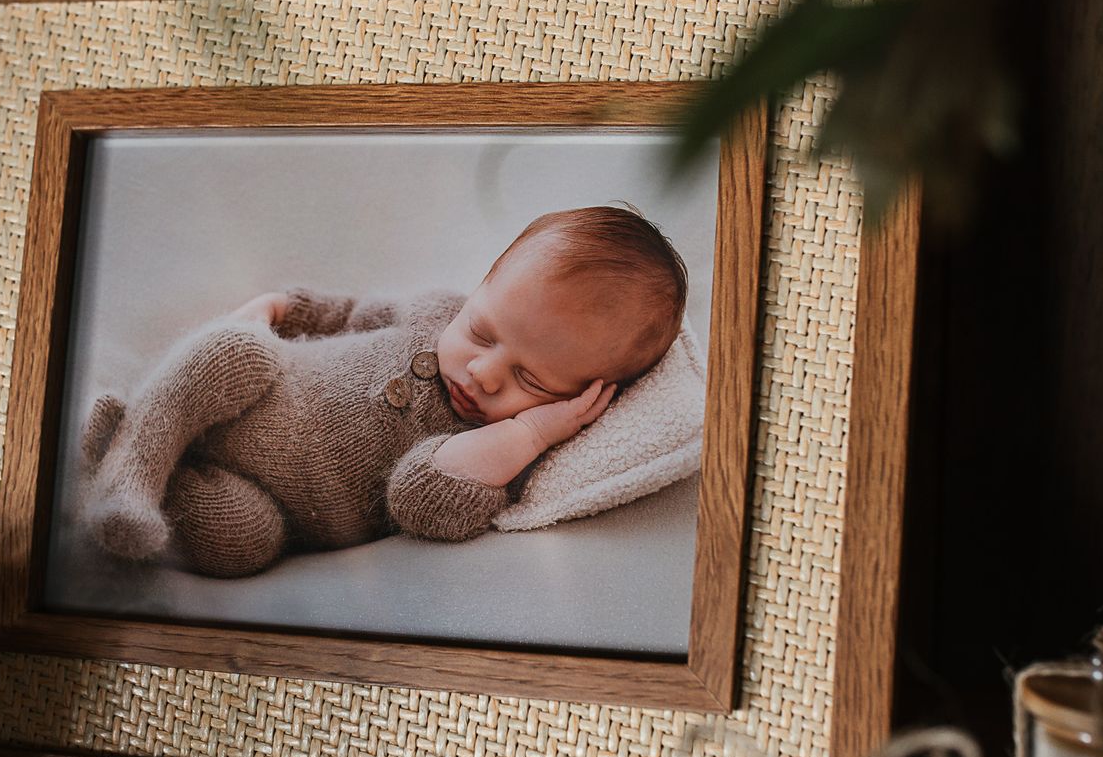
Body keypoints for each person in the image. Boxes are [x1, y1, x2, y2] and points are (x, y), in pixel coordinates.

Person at [80, 204, 687, 577]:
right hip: (261, 387)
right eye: (480, 331)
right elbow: (352, 313)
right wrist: (284, 307)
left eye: (530, 381)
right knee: (237, 351)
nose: (484, 374)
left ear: (583, 401)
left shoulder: (497, 457)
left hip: (260, 497)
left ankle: (136, 442)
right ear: (476, 293)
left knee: (243, 544)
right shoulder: (433, 313)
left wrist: (530, 432)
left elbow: (417, 498)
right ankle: (131, 473)